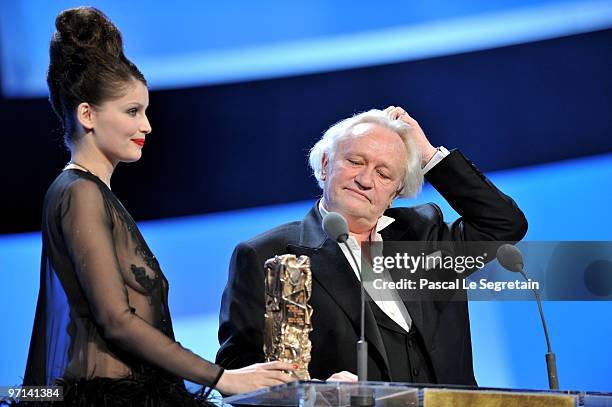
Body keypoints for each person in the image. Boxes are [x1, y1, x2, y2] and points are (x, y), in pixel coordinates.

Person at [23, 6, 294, 406]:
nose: (147, 125)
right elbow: (116, 321)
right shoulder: (78, 192)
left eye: (145, 111)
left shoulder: (97, 194)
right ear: (87, 115)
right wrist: (222, 378)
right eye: (132, 111)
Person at [216, 107, 528, 385]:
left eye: (384, 173)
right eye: (355, 161)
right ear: (325, 166)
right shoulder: (268, 254)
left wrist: (429, 155)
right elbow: (240, 369)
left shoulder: (424, 236)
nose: (366, 180)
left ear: (395, 193)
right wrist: (316, 392)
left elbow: (503, 225)